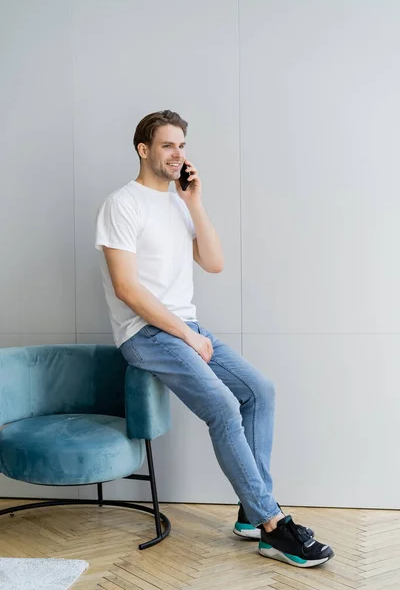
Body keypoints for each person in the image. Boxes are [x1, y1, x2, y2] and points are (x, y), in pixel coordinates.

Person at [95, 110, 334, 568]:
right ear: (144, 150)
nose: (178, 154)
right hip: (145, 334)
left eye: (182, 145)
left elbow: (215, 261)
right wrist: (185, 334)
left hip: (186, 329)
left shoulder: (176, 203)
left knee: (259, 391)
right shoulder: (121, 204)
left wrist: (195, 202)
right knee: (224, 406)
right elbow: (127, 288)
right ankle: (273, 527)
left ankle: (251, 513)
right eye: (168, 145)